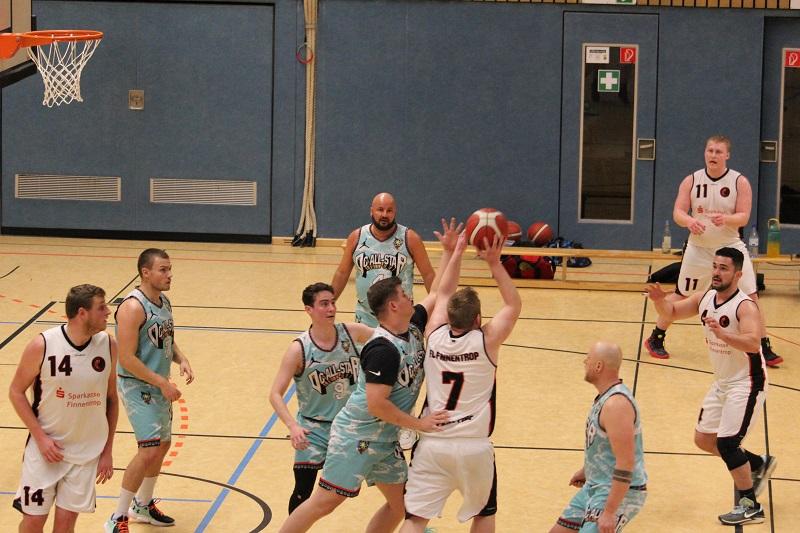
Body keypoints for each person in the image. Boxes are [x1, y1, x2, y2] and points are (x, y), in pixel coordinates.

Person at [279, 218, 461, 533]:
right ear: (393, 305)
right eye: (404, 294)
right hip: (357, 436)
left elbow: (442, 292)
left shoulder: (412, 326)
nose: (411, 297)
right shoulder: (383, 349)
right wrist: (419, 424)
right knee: (324, 502)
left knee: (402, 505)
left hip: (385, 438)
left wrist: (451, 252)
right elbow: (377, 404)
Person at [400, 231, 521, 533]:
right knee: (483, 515)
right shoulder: (487, 341)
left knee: (415, 519)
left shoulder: (434, 334)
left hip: (432, 443)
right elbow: (513, 304)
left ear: (450, 316)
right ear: (478, 319)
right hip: (474, 447)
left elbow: (443, 291)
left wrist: (455, 252)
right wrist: (494, 262)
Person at [645, 247, 776, 525]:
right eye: (715, 266)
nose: (716, 273)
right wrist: (659, 301)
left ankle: (750, 506)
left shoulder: (745, 306)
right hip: (722, 382)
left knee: (727, 443)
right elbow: (672, 311)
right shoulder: (705, 297)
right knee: (704, 440)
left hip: (747, 382)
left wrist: (724, 334)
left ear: (738, 274)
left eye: (723, 268)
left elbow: (753, 343)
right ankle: (757, 464)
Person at [644, 135, 783, 366]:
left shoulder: (739, 182)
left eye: (718, 152)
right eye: (710, 151)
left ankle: (763, 346)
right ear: (705, 153)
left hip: (730, 247)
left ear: (727, 155)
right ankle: (655, 337)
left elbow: (744, 216)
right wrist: (689, 221)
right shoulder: (691, 180)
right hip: (698, 249)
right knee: (682, 294)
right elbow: (678, 212)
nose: (713, 155)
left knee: (751, 296)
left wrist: (726, 219)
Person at [9, 284, 118, 533]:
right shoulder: (43, 345)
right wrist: (40, 438)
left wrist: (107, 450)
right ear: (82, 313)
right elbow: (15, 392)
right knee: (33, 522)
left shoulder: (108, 346)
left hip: (85, 454)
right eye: (101, 307)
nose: (108, 312)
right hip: (46, 450)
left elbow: (112, 399)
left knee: (66, 525)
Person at [105, 249, 195, 533]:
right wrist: (162, 383)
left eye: (170, 269)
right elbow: (126, 358)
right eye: (163, 270)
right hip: (137, 385)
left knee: (163, 444)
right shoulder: (132, 308)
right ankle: (117, 517)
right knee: (148, 449)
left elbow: (166, 338)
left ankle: (142, 505)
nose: (169, 275)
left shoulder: (163, 301)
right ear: (146, 272)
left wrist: (181, 359)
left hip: (157, 383)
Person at [269, 282, 374, 514]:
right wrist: (292, 426)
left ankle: (411, 522)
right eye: (324, 304)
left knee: (389, 478)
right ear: (309, 310)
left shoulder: (352, 332)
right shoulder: (299, 349)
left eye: (333, 303)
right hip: (313, 430)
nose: (331, 309)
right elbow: (275, 394)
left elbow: (387, 341)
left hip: (350, 426)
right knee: (302, 491)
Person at [550, 342, 647, 533]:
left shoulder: (616, 405)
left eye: (588, 359)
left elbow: (626, 462)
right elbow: (605, 446)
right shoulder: (606, 398)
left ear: (599, 366)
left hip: (617, 492)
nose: (585, 362)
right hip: (596, 485)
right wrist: (587, 470)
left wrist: (609, 512)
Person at [331, 192, 435, 327]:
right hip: (365, 317)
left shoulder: (410, 238)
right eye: (380, 209)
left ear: (395, 212)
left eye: (389, 210)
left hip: (400, 318)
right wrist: (330, 301)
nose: (384, 214)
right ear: (371, 211)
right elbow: (342, 273)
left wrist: (439, 308)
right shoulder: (356, 237)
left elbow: (428, 275)